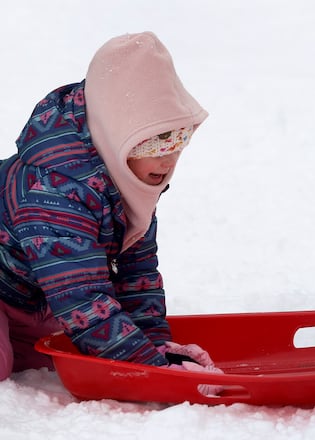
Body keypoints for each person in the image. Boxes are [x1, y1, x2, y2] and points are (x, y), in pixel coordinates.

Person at [0, 32, 219, 381]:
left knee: (62, 358)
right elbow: (82, 299)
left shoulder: (124, 174)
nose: (169, 160)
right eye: (154, 145)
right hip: (15, 288)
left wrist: (157, 347)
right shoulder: (54, 191)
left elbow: (136, 273)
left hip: (32, 294)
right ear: (117, 132)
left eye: (180, 140)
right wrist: (156, 374)